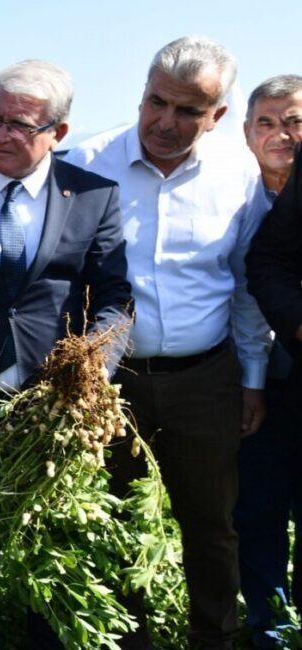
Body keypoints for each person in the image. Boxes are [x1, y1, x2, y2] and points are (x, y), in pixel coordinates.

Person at [66, 36, 269, 648]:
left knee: (210, 525)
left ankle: (217, 637)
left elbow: (246, 284)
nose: (165, 121)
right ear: (143, 92)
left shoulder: (239, 176)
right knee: (115, 521)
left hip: (206, 380)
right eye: (157, 102)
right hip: (108, 386)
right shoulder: (86, 163)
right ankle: (127, 641)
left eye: (188, 111)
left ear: (218, 117)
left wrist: (252, 377)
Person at [0, 59, 132, 649]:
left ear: (58, 134)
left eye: (18, 125)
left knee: (47, 554)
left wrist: (92, 369)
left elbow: (116, 298)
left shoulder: (94, 197)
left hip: (52, 410)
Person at [239, 75, 302, 648]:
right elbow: (241, 295)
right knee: (257, 507)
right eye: (268, 122)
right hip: (251, 384)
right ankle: (270, 627)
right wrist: (252, 380)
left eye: (295, 122)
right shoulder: (231, 198)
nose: (282, 134)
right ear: (247, 132)